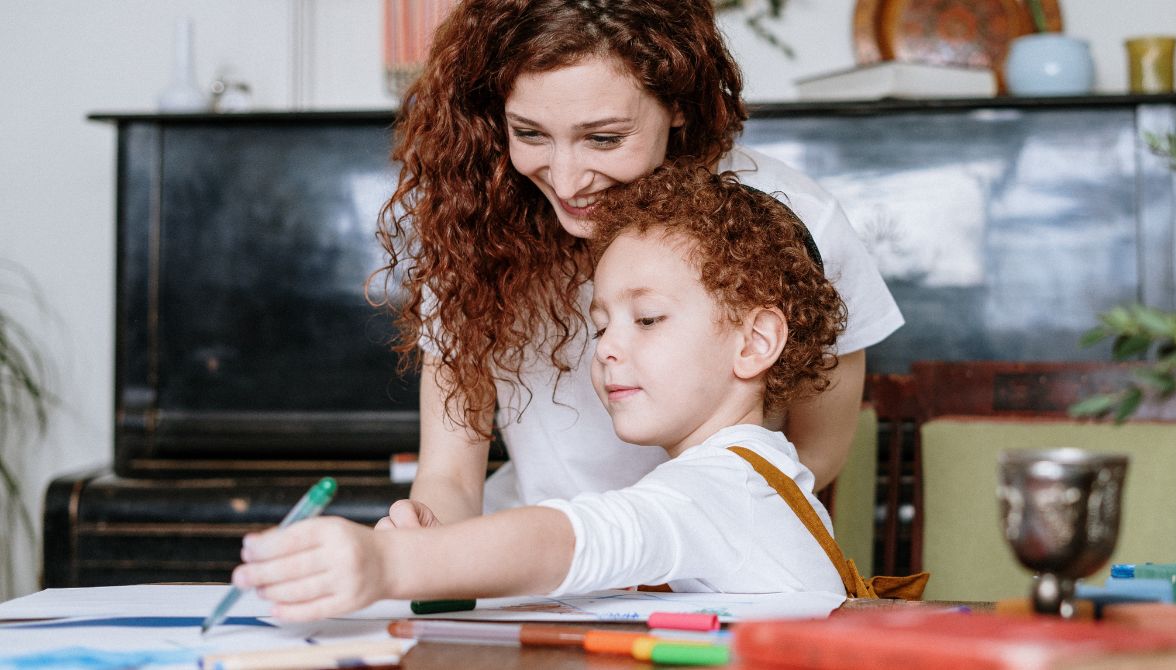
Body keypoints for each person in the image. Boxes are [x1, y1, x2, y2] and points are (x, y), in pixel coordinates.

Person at [374, 0, 902, 531]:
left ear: (678, 104)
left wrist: (673, 549)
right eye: (531, 134)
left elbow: (816, 455)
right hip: (534, 560)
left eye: (603, 138)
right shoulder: (472, 227)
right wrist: (426, 536)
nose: (566, 180)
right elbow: (450, 478)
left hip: (709, 553)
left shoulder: (797, 223)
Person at [236, 165, 850, 620]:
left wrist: (391, 564)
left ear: (755, 341)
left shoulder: (724, 488)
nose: (606, 347)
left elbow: (573, 538)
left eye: (649, 319)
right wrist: (442, 552)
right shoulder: (748, 475)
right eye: (601, 323)